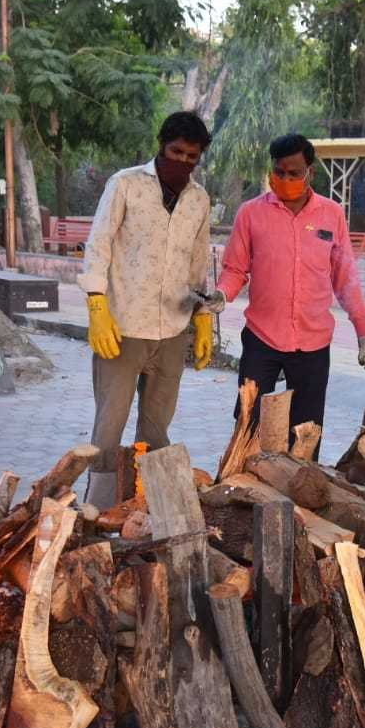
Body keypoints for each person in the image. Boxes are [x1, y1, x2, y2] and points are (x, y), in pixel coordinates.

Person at [78, 111, 215, 509]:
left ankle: (148, 508)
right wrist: (97, 305)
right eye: (177, 152)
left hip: (172, 330)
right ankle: (98, 510)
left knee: (156, 430)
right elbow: (98, 245)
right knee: (109, 427)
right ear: (161, 145)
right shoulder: (125, 184)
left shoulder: (199, 200)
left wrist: (202, 318)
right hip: (121, 327)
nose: (183, 162)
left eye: (192, 157)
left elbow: (197, 263)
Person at [212, 134, 365, 447]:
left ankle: (300, 492)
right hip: (262, 338)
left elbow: (346, 278)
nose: (285, 179)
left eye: (294, 173)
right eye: (279, 172)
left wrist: (364, 333)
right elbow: (235, 269)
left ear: (310, 173)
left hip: (313, 343)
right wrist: (221, 295)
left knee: (306, 433)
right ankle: (242, 489)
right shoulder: (250, 213)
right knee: (248, 425)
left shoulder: (332, 214)